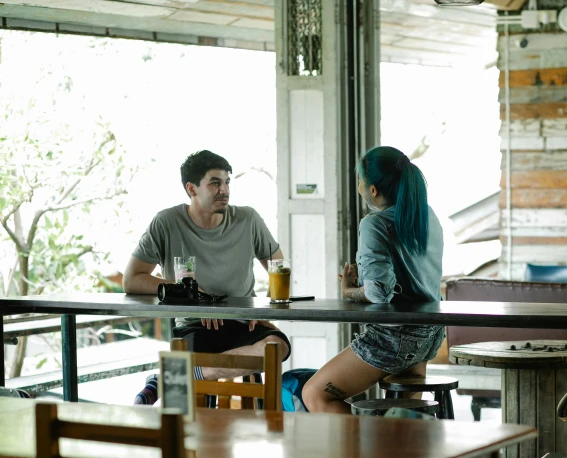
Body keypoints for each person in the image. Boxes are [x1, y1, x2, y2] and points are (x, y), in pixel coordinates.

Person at [124, 150, 291, 405]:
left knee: (279, 346)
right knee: (188, 417)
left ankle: (174, 375)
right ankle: (183, 388)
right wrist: (194, 295)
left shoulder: (248, 219)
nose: (224, 190)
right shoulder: (166, 222)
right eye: (215, 183)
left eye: (227, 182)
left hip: (242, 324)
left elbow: (278, 266)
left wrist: (264, 308)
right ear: (192, 189)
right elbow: (133, 279)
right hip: (194, 326)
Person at [302, 146, 444, 414]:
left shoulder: (374, 223)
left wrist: (349, 290)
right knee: (404, 419)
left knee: (315, 394)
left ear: (373, 190)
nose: (359, 187)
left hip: (394, 337)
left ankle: (364, 453)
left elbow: (378, 293)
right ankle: (387, 451)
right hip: (429, 334)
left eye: (359, 182)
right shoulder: (427, 215)